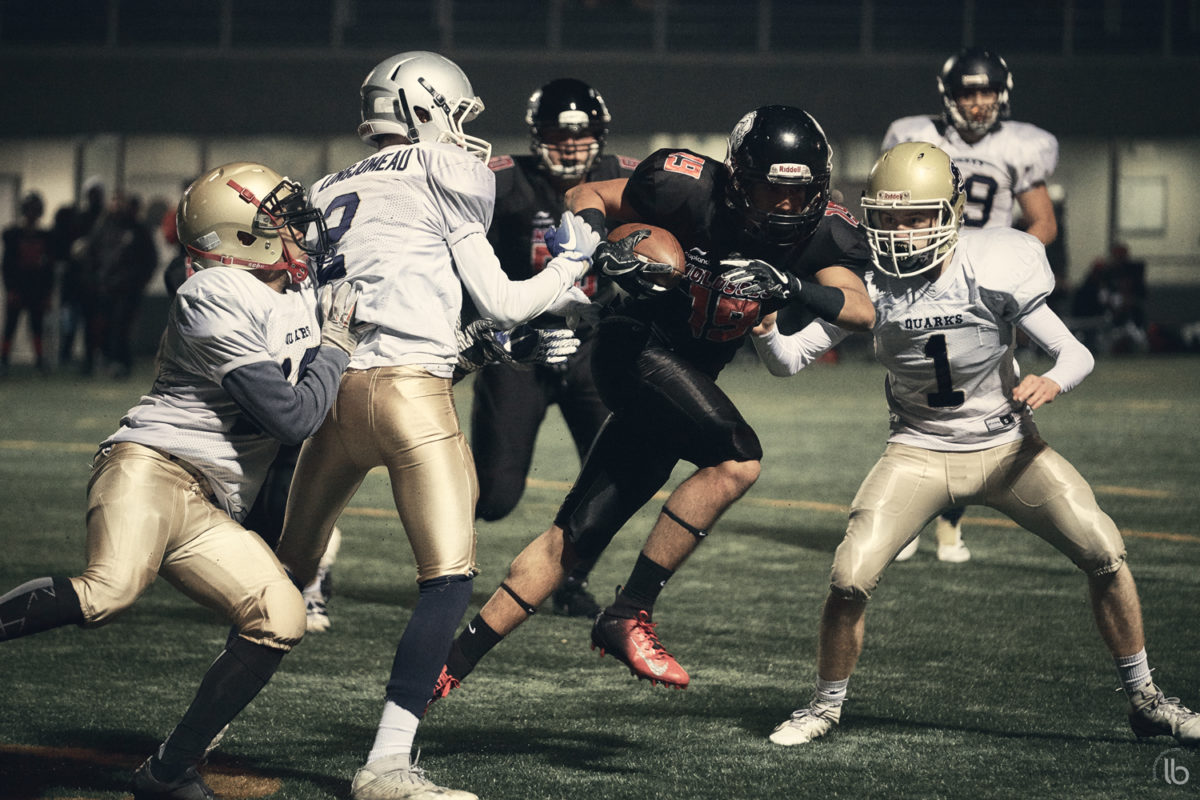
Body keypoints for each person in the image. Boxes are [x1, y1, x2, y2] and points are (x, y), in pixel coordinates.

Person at [753, 142, 1199, 748]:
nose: (903, 233)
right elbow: (788, 362)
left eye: (918, 217)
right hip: (917, 450)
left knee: (1103, 548)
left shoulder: (992, 263)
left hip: (1008, 448)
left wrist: (1051, 379)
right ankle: (826, 706)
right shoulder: (866, 286)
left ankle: (1147, 699)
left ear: (952, 213)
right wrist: (761, 330)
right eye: (889, 218)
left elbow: (1076, 352)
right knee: (849, 576)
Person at [431, 104, 874, 702]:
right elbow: (589, 193)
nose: (787, 209)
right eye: (774, 191)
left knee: (573, 539)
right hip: (633, 347)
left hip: (680, 381)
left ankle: (445, 667)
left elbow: (860, 308)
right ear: (740, 178)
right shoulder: (687, 188)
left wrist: (794, 287)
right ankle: (629, 611)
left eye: (800, 195)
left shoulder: (827, 229)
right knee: (737, 457)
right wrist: (595, 250)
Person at [271, 51, 595, 800]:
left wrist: (462, 343)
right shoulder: (446, 170)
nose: (464, 132)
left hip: (335, 394)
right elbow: (509, 303)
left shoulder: (325, 187)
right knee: (447, 582)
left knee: (282, 579)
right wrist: (570, 265)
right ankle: (386, 765)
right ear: (424, 108)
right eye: (456, 113)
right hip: (410, 398)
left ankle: (190, 743)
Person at [0, 161, 364, 799]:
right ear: (238, 236)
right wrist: (335, 345)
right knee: (108, 591)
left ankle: (167, 771)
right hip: (153, 468)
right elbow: (291, 418)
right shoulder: (212, 294)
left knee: (282, 616)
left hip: (210, 504)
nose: (295, 227)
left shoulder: (298, 289)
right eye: (276, 219)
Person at [882, 47, 1059, 563]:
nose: (977, 102)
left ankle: (950, 524)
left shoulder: (1020, 145)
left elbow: (1042, 221)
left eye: (985, 91)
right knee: (915, 389)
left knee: (982, 402)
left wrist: (1012, 268)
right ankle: (909, 515)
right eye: (967, 91)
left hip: (986, 289)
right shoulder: (914, 136)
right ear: (949, 95)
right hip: (923, 278)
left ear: (1000, 94)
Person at [472, 77, 639, 618]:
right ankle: (448, 557)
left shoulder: (626, 177)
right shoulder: (501, 179)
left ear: (600, 134)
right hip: (519, 345)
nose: (569, 144)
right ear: (535, 135)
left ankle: (569, 579)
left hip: (593, 344)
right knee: (495, 498)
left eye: (582, 133)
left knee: (618, 474)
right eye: (555, 133)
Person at [87, 192, 159, 378]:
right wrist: (96, 279)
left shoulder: (137, 229)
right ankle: (104, 360)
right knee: (104, 325)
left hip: (128, 288)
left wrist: (140, 281)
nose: (117, 206)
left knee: (121, 326)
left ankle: (121, 362)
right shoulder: (103, 228)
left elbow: (150, 259)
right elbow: (93, 254)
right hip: (105, 287)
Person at [1, 191, 55, 375]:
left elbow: (49, 269)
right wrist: (11, 289)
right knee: (11, 326)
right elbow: (7, 265)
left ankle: (39, 360)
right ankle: (4, 359)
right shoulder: (12, 235)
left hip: (37, 289)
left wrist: (48, 293)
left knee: (37, 326)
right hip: (18, 287)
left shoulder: (46, 237)